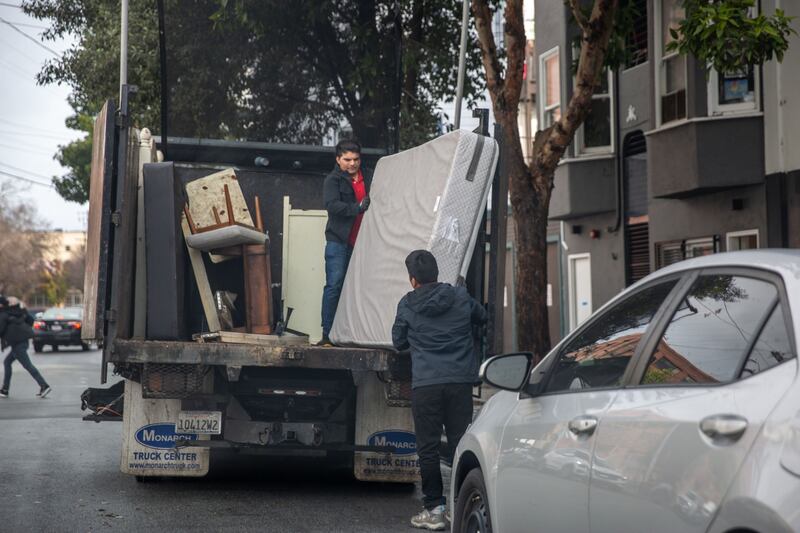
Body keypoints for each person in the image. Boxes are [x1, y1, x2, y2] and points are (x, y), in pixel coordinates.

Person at [392, 250, 486, 531]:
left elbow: (398, 342)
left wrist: (419, 344)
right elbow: (482, 317)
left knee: (429, 448)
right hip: (459, 382)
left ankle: (434, 510)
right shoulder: (459, 296)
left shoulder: (407, 304)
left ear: (412, 280)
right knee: (460, 444)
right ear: (436, 273)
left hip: (427, 384)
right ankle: (461, 504)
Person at [318, 139, 372, 346]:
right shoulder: (333, 180)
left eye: (356, 159)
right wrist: (357, 208)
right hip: (339, 241)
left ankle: (352, 334)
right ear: (338, 159)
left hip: (364, 241)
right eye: (347, 159)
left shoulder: (368, 176)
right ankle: (328, 334)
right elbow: (332, 206)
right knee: (334, 286)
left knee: (358, 288)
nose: (352, 164)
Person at [0, 295, 51, 398]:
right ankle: (5, 389)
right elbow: (31, 321)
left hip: (17, 344)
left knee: (28, 365)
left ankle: (44, 385)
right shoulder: (20, 311)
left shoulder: (4, 314)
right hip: (23, 341)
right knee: (7, 362)